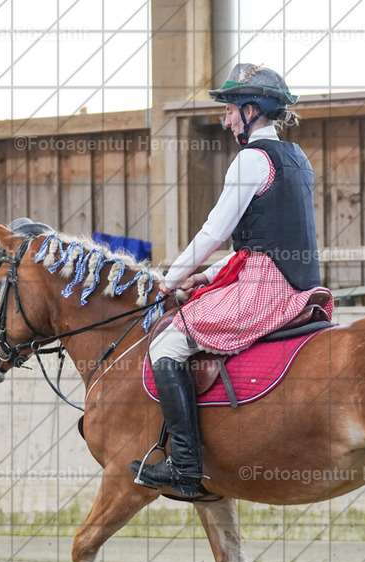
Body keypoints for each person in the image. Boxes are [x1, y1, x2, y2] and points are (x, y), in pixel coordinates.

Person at [130, 63, 332, 499]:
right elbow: (266, 240)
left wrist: (172, 278)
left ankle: (185, 467)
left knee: (167, 343)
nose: (225, 120)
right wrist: (208, 275)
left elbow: (213, 232)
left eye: (231, 111)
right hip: (297, 285)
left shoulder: (251, 159)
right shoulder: (298, 159)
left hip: (264, 290)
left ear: (252, 111)